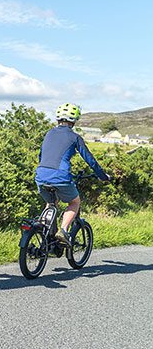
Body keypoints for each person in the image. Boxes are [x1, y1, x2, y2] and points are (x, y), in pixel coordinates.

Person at [35, 103, 110, 244]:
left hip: (40, 175)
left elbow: (41, 155)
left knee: (51, 202)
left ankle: (43, 231)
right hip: (61, 177)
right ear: (74, 120)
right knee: (74, 202)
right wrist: (103, 176)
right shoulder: (75, 137)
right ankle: (63, 230)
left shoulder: (49, 133)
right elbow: (90, 160)